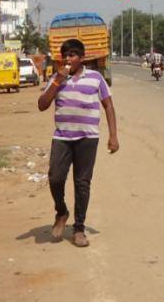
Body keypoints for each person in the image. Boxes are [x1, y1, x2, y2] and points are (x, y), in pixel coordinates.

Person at [37, 39, 119, 248]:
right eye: (65, 55)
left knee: (82, 183)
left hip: (87, 137)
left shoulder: (95, 78)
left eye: (72, 55)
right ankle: (62, 212)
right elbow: (42, 105)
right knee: (55, 177)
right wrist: (57, 81)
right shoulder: (56, 78)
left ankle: (79, 228)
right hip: (62, 137)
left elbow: (108, 106)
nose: (67, 59)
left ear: (81, 58)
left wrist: (113, 136)